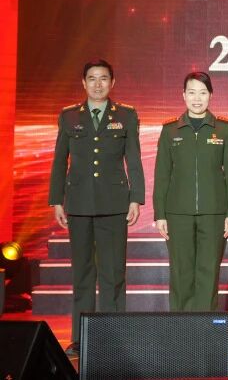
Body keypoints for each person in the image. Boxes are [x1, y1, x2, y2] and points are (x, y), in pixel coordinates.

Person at [48, 59, 144, 356]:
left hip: (114, 204)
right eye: (92, 78)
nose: (98, 84)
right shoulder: (69, 116)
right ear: (84, 83)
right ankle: (80, 338)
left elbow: (134, 159)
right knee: (82, 274)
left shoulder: (126, 115)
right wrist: (56, 200)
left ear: (112, 82)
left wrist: (136, 198)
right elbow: (59, 160)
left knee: (113, 274)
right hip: (78, 204)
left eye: (103, 78)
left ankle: (113, 338)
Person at [153, 71, 228, 312]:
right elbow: (162, 175)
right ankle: (181, 330)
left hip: (214, 213)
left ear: (210, 95)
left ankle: (205, 330)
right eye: (191, 92)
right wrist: (160, 214)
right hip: (177, 214)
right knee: (180, 273)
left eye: (202, 93)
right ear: (183, 95)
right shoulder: (170, 130)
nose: (197, 98)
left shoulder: (223, 129)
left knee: (208, 273)